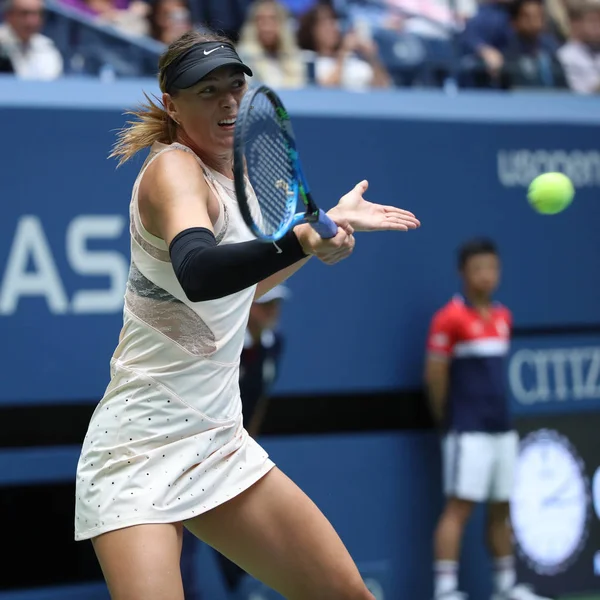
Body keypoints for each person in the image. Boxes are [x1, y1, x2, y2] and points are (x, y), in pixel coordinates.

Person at [74, 29, 420, 600]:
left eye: (235, 86)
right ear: (172, 106)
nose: (229, 102)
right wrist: (301, 243)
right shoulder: (172, 170)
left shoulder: (239, 185)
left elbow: (243, 287)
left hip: (218, 443)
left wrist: (326, 224)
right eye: (208, 91)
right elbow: (202, 272)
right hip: (135, 451)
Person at [425, 238, 551, 600]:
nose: (486, 276)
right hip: (466, 430)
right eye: (478, 268)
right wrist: (447, 421)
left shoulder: (503, 317)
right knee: (459, 508)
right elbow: (435, 376)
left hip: (502, 428)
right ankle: (446, 591)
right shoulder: (449, 318)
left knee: (502, 508)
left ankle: (505, 588)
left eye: (492, 268)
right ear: (463, 273)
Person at [0, 0, 63, 80]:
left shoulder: (48, 48)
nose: (30, 21)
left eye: (36, 14)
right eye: (24, 13)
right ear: (8, 15)